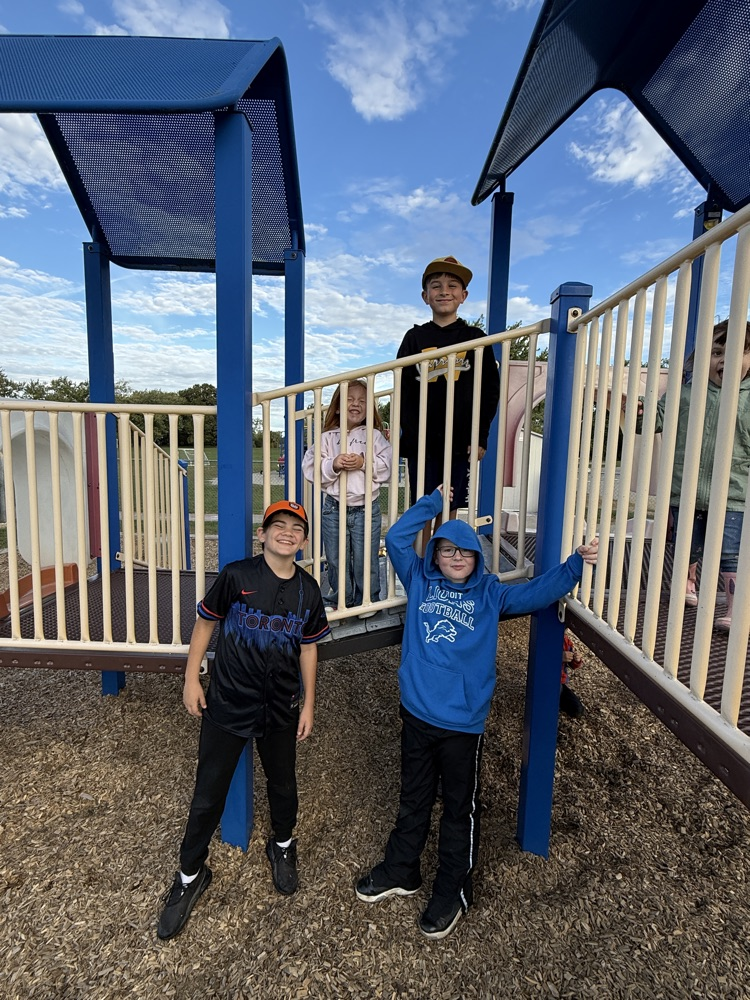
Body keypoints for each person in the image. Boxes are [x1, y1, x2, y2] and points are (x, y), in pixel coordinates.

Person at [355, 485, 598, 940]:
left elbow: (538, 592)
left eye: (464, 551)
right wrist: (432, 504)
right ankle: (402, 869)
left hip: (462, 724)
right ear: (435, 555)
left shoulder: (491, 595)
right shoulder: (420, 581)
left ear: (477, 557)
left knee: (459, 809)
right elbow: (396, 538)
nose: (455, 558)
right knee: (414, 796)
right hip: (417, 713)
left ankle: (453, 888)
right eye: (446, 550)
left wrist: (574, 565)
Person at [157, 500, 330, 941]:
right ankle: (190, 875)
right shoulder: (236, 575)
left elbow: (309, 647)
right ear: (263, 534)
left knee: (283, 784)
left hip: (281, 706)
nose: (287, 533)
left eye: (296, 528)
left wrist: (309, 702)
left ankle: (283, 846)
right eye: (279, 526)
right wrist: (192, 677)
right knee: (208, 791)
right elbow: (205, 623)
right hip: (229, 701)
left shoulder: (309, 590)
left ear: (305, 540)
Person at [637, 319, 750, 631]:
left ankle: (733, 608)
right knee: (688, 544)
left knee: (730, 553)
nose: (724, 360)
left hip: (733, 493)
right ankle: (687, 584)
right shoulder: (686, 395)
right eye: (716, 352)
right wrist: (637, 411)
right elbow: (653, 421)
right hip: (685, 490)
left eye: (738, 352)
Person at [397, 256, 500, 541]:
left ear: (463, 296)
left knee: (449, 504)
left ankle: (441, 560)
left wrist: (480, 436)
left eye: (453, 286)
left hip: (458, 440)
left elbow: (490, 391)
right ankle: (421, 560)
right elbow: (402, 388)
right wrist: (406, 432)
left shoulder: (475, 337)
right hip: (422, 441)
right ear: (425, 296)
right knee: (423, 503)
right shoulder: (414, 339)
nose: (444, 291)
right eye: (436, 285)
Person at [302, 379, 392, 617]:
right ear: (339, 407)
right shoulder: (327, 437)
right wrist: (333, 463)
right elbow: (310, 467)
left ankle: (367, 599)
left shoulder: (374, 436)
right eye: (350, 400)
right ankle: (340, 598)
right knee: (335, 556)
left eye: (362, 401)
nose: (356, 404)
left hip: (366, 506)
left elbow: (387, 465)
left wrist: (363, 463)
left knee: (365, 556)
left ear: (368, 408)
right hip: (334, 507)